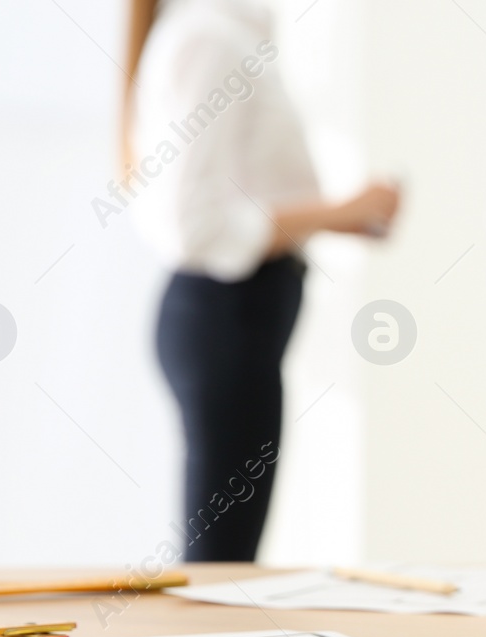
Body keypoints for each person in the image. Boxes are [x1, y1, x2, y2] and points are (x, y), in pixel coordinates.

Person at [123, 0, 399, 561]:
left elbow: (234, 201)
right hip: (225, 321)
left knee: (223, 560)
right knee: (219, 568)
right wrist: (337, 212)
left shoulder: (233, 35)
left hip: (235, 322)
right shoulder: (211, 41)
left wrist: (339, 216)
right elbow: (196, 226)